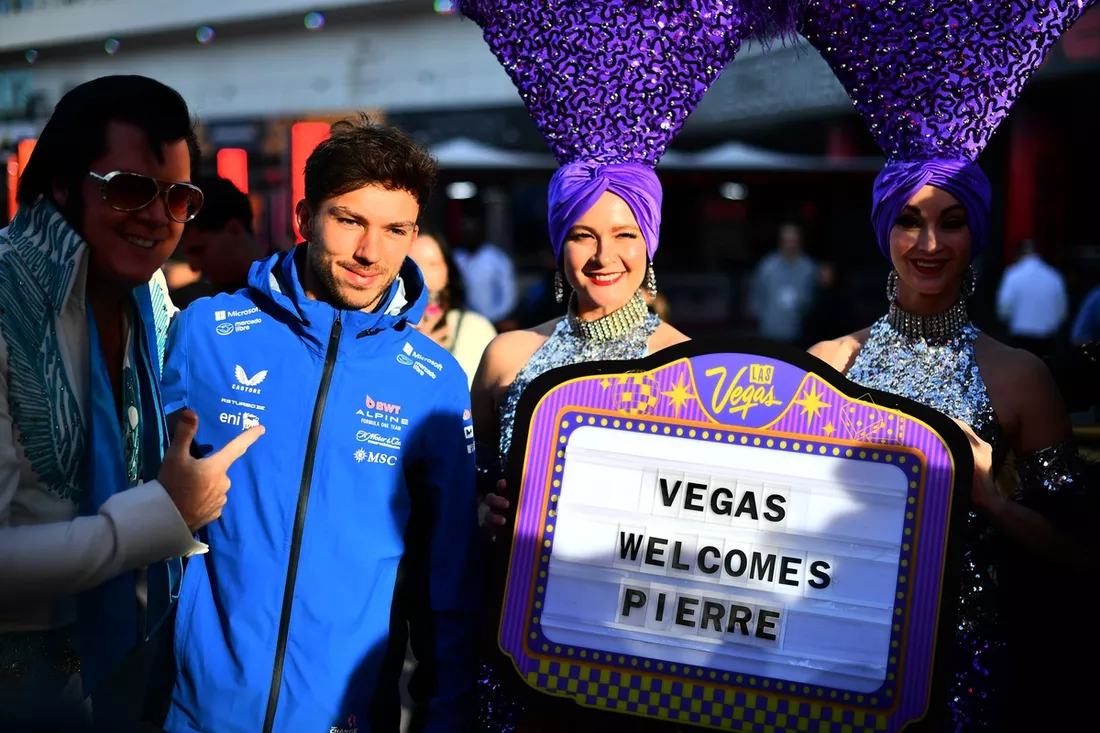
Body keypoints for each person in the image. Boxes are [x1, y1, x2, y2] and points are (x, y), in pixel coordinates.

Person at [458, 0, 772, 729]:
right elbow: (467, 493)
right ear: (557, 243)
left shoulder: (697, 366)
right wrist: (480, 513)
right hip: (514, 647)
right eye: (583, 235)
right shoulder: (507, 356)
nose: (605, 257)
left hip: (643, 660)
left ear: (650, 241)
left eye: (626, 234)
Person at [798, 1, 1095, 729]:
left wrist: (993, 500)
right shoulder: (826, 365)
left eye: (951, 221)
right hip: (831, 660)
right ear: (884, 230)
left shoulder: (1018, 376)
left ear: (976, 233)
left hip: (967, 679)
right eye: (910, 219)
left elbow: (1080, 554)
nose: (929, 243)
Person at [158, 115, 481, 733]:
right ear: (305, 218)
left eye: (395, 230)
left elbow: (449, 584)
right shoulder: (206, 332)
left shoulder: (433, 379)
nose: (370, 252)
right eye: (350, 221)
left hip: (347, 719)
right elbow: (132, 504)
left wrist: (446, 719)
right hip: (197, 713)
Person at [0, 75, 261, 730]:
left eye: (179, 198)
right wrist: (160, 516)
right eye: (128, 188)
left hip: (139, 662)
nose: (157, 216)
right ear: (62, 184)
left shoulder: (148, 295)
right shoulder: (6, 296)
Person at [409, 225, 497, 388]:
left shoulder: (475, 329)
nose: (422, 273)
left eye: (432, 264)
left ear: (447, 271)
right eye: (413, 263)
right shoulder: (382, 329)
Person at [179, 175, 269, 301]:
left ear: (234, 231)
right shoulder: (193, 300)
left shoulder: (289, 286)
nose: (193, 267)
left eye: (199, 250)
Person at [994, 238, 1068, 357]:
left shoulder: (1013, 274)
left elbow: (1004, 309)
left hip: (1020, 338)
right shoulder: (1054, 276)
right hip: (1047, 339)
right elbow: (1062, 312)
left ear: (1018, 254)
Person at [747, 221, 817, 343]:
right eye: (786, 241)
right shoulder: (767, 266)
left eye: (794, 241)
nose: (790, 245)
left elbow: (812, 300)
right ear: (780, 242)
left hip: (798, 334)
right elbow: (757, 297)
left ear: (800, 242)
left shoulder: (808, 268)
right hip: (769, 333)